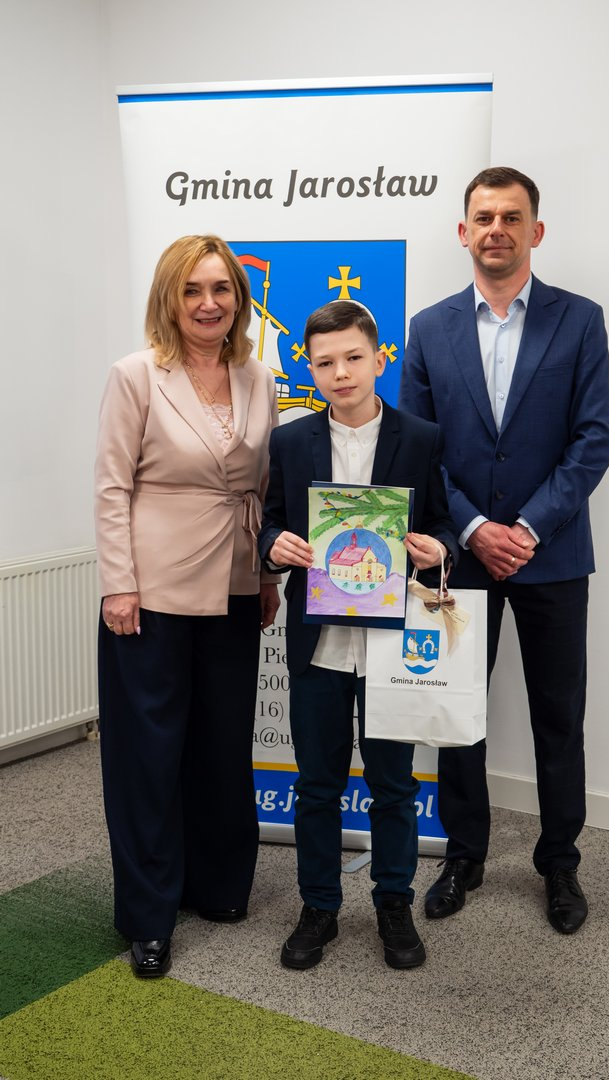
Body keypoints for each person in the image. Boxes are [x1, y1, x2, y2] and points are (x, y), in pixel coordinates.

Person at [399, 167, 609, 934]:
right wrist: (471, 529)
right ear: (464, 232)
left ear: (535, 231)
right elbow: (418, 448)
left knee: (559, 715)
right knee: (459, 711)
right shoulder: (428, 328)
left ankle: (560, 862)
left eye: (511, 217)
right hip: (459, 559)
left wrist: (525, 528)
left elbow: (594, 439)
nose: (497, 229)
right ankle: (464, 855)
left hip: (550, 555)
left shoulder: (580, 320)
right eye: (484, 217)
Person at [95, 234, 280, 977]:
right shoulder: (136, 374)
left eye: (222, 289)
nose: (209, 303)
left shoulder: (258, 376)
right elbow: (112, 485)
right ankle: (149, 913)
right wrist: (118, 583)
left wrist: (266, 577)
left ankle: (217, 885)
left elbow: (261, 485)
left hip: (236, 580)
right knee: (148, 754)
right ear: (169, 299)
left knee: (222, 742)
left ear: (239, 298)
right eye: (193, 290)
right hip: (153, 590)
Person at [258, 300, 458, 970]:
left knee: (394, 785)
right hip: (318, 644)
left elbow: (445, 524)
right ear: (309, 369)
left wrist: (438, 549)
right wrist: (274, 544)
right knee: (317, 783)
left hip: (390, 644)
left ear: (378, 359)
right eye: (325, 362)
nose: (340, 373)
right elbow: (269, 523)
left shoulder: (421, 438)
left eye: (352, 358)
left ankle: (394, 903)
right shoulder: (290, 442)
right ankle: (319, 906)